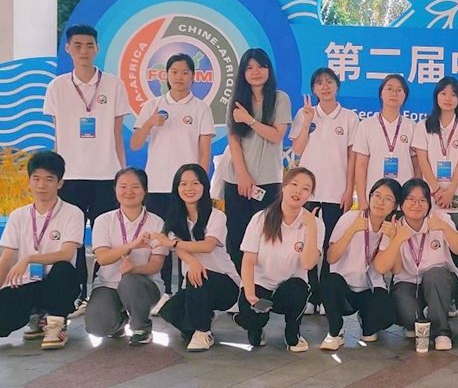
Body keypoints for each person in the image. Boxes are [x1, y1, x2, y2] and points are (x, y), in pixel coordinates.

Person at [43, 24, 129, 312]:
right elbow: (57, 135)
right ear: (68, 49)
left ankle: (102, 292)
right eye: (77, 45)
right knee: (73, 240)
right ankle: (77, 293)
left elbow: (117, 134)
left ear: (97, 48)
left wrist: (122, 173)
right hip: (71, 177)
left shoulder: (114, 85)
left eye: (89, 45)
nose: (83, 51)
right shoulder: (57, 87)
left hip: (106, 175)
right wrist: (57, 176)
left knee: (106, 239)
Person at [0, 151, 83, 350]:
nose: (41, 185)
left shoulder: (72, 213)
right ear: (29, 181)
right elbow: (6, 259)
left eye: (49, 179)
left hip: (59, 282)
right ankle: (37, 317)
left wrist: (29, 258)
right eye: (36, 178)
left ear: (60, 183)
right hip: (28, 284)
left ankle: (56, 324)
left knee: (64, 268)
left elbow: (67, 253)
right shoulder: (18, 215)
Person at [130, 53, 215, 305]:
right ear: (166, 75)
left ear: (194, 77)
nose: (179, 77)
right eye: (174, 72)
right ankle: (164, 291)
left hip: (187, 190)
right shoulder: (153, 105)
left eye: (185, 72)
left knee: (186, 239)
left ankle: (189, 290)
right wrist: (150, 123)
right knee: (161, 240)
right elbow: (135, 144)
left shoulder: (200, 108)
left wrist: (200, 185)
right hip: (157, 185)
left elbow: (204, 152)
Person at [291, 67, 360, 314]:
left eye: (329, 82)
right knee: (307, 243)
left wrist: (349, 189)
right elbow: (297, 150)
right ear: (313, 89)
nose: (325, 86)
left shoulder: (350, 117)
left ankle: (326, 297)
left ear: (337, 86)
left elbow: (353, 158)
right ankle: (311, 295)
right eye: (319, 83)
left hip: (336, 193)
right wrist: (307, 122)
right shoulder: (305, 113)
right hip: (308, 193)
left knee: (331, 246)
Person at [150, 164, 240, 352]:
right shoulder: (175, 218)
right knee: (169, 312)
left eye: (195, 183)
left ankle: (203, 332)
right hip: (195, 282)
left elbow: (207, 246)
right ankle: (203, 317)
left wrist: (172, 243)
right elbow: (181, 250)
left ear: (204, 186)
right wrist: (193, 262)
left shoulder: (216, 216)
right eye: (183, 184)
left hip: (225, 284)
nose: (189, 188)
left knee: (197, 277)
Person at [233, 167, 323, 351]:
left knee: (299, 289)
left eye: (305, 189)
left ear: (310, 195)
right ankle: (255, 328)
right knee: (251, 319)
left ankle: (293, 332)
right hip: (260, 285)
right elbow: (248, 260)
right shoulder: (261, 218)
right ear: (284, 186)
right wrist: (250, 295)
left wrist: (311, 228)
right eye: (294, 184)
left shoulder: (316, 224)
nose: (298, 191)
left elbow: (308, 264)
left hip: (289, 287)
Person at [374, 178, 458, 351]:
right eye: (410, 199)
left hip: (440, 279)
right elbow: (380, 267)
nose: (416, 205)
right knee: (409, 318)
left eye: (422, 200)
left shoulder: (440, 218)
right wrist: (397, 238)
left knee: (435, 275)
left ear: (429, 204)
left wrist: (444, 228)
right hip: (408, 282)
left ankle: (441, 332)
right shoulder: (394, 225)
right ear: (401, 204)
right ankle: (424, 317)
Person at [221, 48, 292, 269]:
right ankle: (239, 283)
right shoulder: (236, 101)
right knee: (237, 236)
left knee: (266, 236)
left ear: (269, 70)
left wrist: (249, 120)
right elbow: (233, 140)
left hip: (268, 180)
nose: (256, 72)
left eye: (261, 66)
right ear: (243, 72)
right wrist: (242, 175)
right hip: (237, 180)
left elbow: (277, 136)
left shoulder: (280, 99)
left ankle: (263, 284)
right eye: (249, 67)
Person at [413, 76, 458, 311]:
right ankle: (428, 299)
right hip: (430, 199)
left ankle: (455, 302)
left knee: (457, 250)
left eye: (453, 94)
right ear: (436, 97)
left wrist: (450, 191)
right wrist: (437, 189)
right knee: (429, 247)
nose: (448, 98)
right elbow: (422, 160)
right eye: (443, 93)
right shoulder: (424, 126)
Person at [85, 168, 169, 346]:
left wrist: (135, 269)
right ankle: (119, 322)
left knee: (130, 281)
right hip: (108, 285)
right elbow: (103, 258)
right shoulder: (103, 220)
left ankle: (141, 328)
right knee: (97, 327)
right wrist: (131, 245)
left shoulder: (157, 222)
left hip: (143, 286)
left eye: (135, 187)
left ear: (145, 190)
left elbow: (156, 263)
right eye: (123, 186)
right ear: (115, 189)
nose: (128, 192)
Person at [318, 179, 400, 351]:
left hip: (369, 287)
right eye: (377, 195)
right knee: (329, 282)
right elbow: (331, 258)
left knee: (382, 321)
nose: (380, 202)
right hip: (343, 287)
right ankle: (335, 330)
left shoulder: (390, 228)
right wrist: (352, 230)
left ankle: (366, 318)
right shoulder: (350, 218)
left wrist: (394, 239)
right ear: (369, 197)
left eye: (388, 199)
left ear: (395, 206)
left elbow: (385, 268)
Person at [353, 74, 416, 204]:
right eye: (389, 89)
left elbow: (417, 165)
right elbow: (361, 165)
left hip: (405, 197)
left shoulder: (412, 126)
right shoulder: (366, 125)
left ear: (405, 96)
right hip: (375, 196)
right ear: (381, 93)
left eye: (399, 90)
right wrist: (362, 199)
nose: (394, 93)